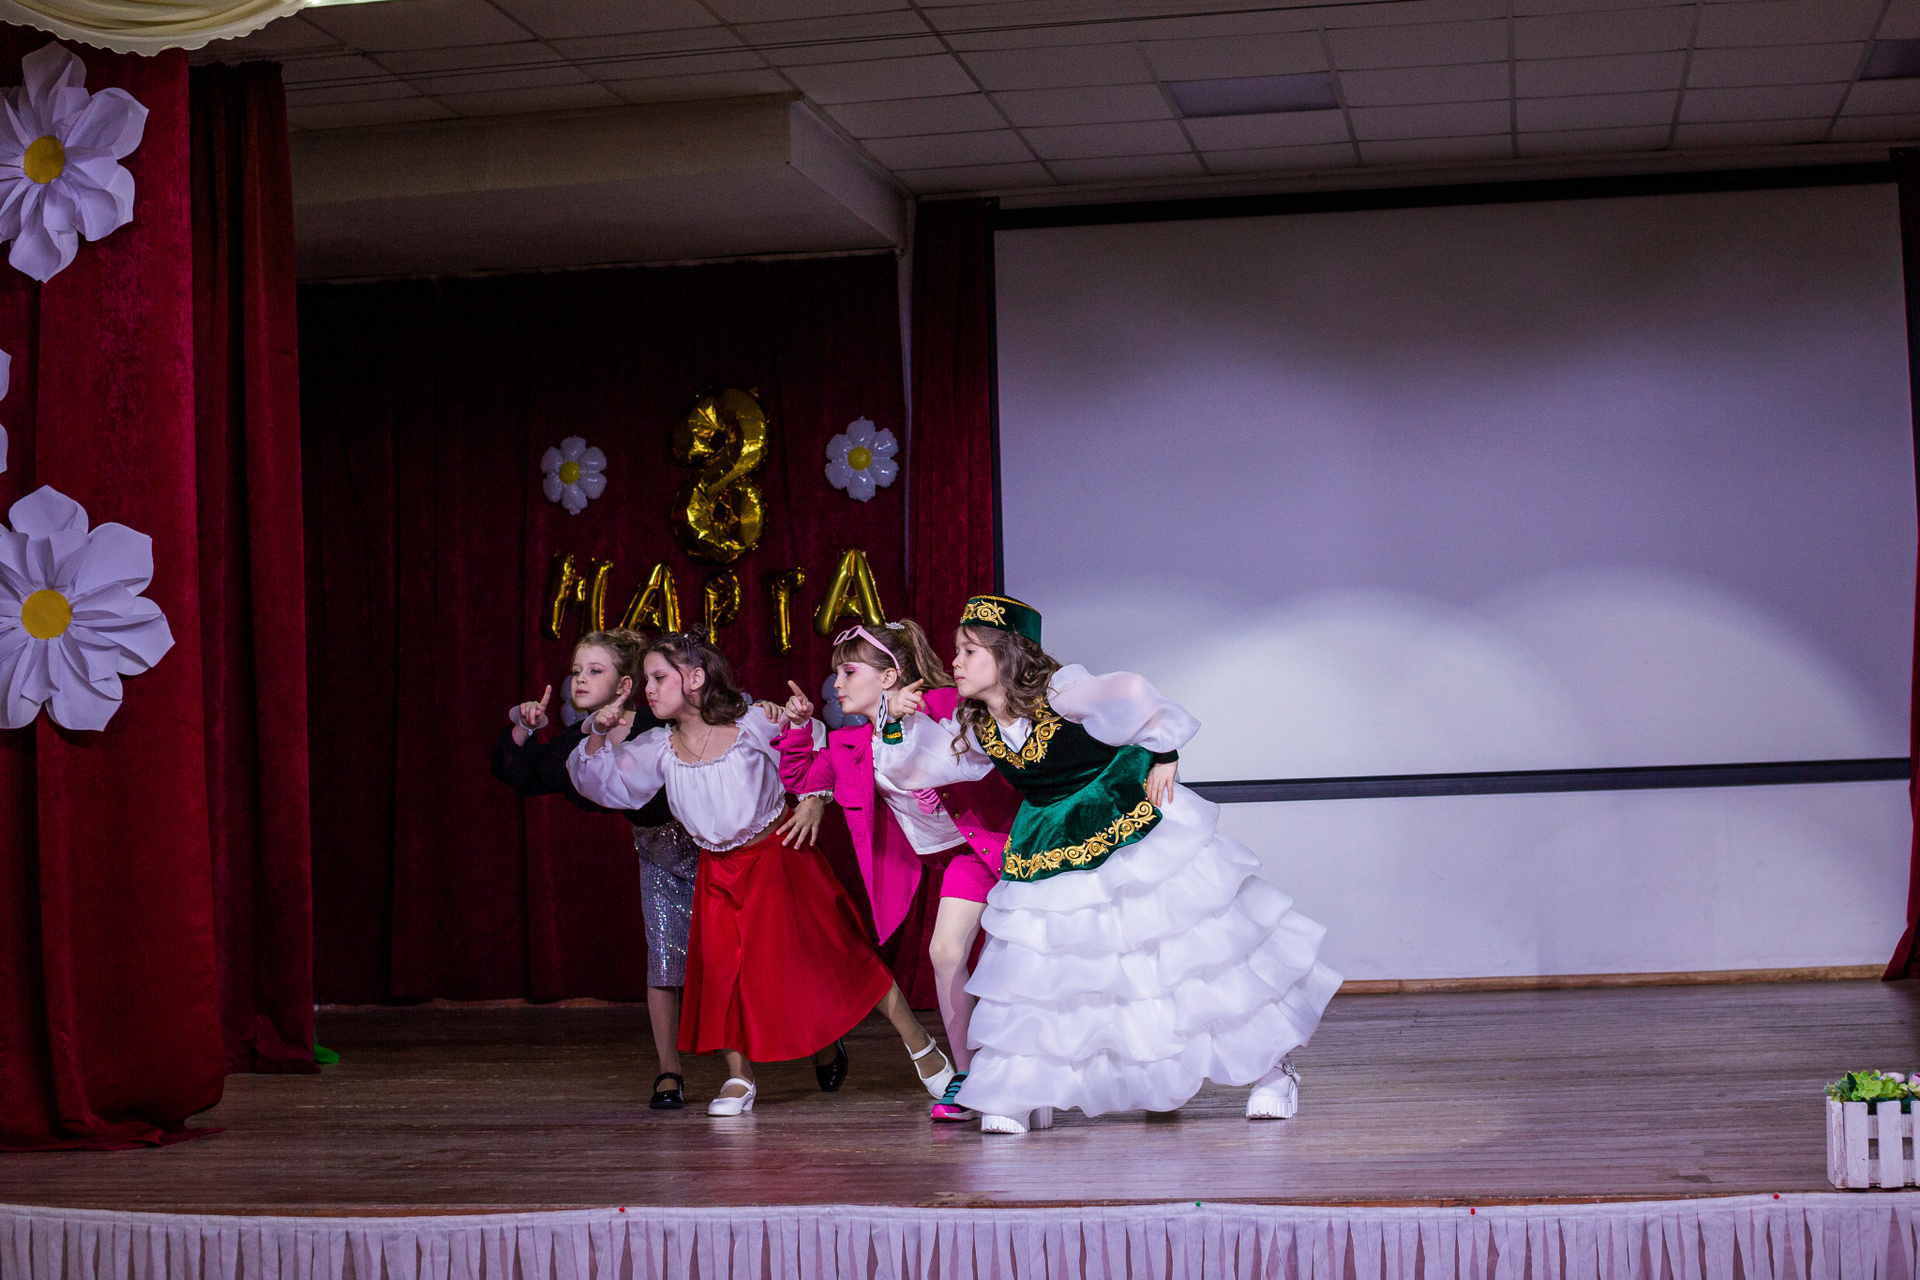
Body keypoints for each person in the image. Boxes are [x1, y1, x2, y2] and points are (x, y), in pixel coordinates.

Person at [877, 595, 1343, 1134]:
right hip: (1051, 839)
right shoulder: (978, 725)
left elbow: (1132, 693)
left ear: (1006, 656)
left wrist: (1164, 750)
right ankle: (1025, 1088)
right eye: (957, 651)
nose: (955, 662)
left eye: (969, 651)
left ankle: (1272, 1071)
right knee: (1049, 970)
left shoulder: (1060, 691)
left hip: (1124, 823)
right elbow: (921, 766)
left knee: (1184, 958)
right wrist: (894, 722)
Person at [568, 629, 952, 1116]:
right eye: (647, 679)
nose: (650, 689)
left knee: (841, 957)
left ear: (695, 679)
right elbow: (600, 780)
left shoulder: (752, 724)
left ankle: (921, 1046)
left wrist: (814, 800)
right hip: (717, 871)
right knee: (724, 975)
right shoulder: (658, 748)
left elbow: (816, 753)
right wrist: (597, 734)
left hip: (780, 857)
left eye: (660, 677)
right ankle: (738, 1077)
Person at [771, 620, 1022, 1122]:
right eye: (836, 674)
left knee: (1019, 960)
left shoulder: (942, 702)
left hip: (1012, 847)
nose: (836, 685)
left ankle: (1023, 1076)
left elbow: (991, 732)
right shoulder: (849, 745)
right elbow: (801, 777)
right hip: (963, 860)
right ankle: (968, 1076)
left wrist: (920, 709)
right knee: (945, 953)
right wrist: (798, 729)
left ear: (888, 677)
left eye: (848, 671)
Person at [492, 628, 749, 1111]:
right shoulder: (578, 740)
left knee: (743, 958)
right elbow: (521, 773)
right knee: (665, 962)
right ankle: (669, 1071)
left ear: (626, 684)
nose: (579, 680)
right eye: (576, 671)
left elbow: (725, 729)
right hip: (658, 856)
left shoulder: (659, 718)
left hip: (715, 850)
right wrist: (523, 726)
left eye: (595, 671)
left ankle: (813, 1043)